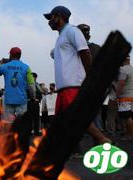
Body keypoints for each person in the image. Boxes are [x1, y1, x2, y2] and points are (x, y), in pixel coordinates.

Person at [44, 6, 112, 144]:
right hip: (63, 87)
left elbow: (85, 52)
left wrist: (90, 77)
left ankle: (103, 140)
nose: (49, 21)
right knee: (61, 121)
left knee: (77, 117)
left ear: (59, 16)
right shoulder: (61, 37)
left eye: (51, 17)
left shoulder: (72, 31)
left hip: (73, 84)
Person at [0, 47, 36, 129]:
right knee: (22, 123)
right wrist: (33, 97)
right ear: (20, 55)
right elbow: (31, 85)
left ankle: (9, 140)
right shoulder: (26, 67)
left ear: (10, 55)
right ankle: (21, 140)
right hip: (22, 100)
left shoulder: (4, 66)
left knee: (8, 124)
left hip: (8, 99)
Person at [116, 56, 133, 141]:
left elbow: (121, 83)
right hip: (132, 95)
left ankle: (130, 135)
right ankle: (128, 132)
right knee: (130, 115)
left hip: (125, 96)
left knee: (127, 116)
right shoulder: (131, 69)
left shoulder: (123, 70)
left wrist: (117, 94)